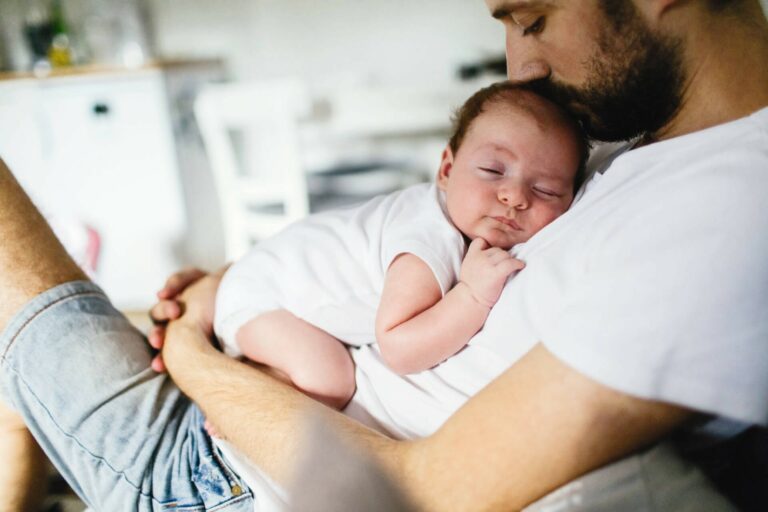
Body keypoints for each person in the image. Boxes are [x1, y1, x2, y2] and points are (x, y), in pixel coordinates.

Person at [0, 0, 766, 509]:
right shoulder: (632, 147)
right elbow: (397, 236)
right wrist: (236, 285)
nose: (521, 65)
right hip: (264, 402)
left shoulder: (729, 207)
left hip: (229, 477)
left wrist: (194, 351)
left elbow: (411, 495)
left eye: (531, 17)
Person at [210, 82, 585, 414]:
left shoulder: (457, 219)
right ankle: (237, 394)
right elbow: (400, 349)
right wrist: (472, 295)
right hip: (261, 296)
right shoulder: (429, 240)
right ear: (446, 171)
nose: (514, 196)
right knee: (331, 380)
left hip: (269, 273)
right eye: (492, 170)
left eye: (546, 190)